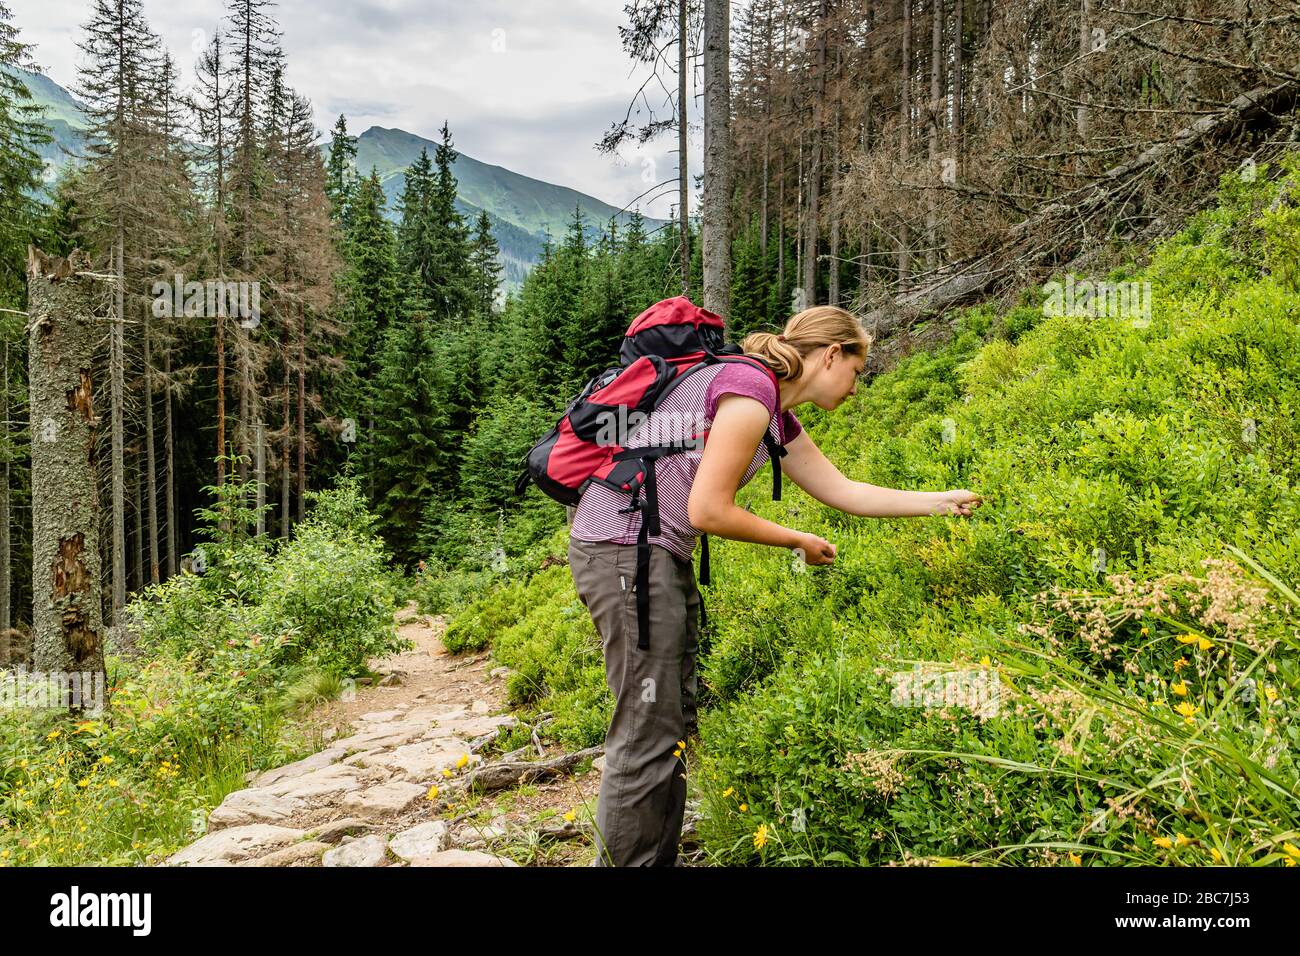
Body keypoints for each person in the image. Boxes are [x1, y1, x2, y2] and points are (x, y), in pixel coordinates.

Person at [567, 305, 983, 867]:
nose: (858, 387)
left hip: (649, 556)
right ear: (831, 355)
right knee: (646, 733)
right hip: (626, 556)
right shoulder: (748, 388)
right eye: (858, 371)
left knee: (671, 726)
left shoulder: (770, 407)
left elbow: (843, 489)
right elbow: (709, 510)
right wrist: (798, 541)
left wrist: (939, 502)